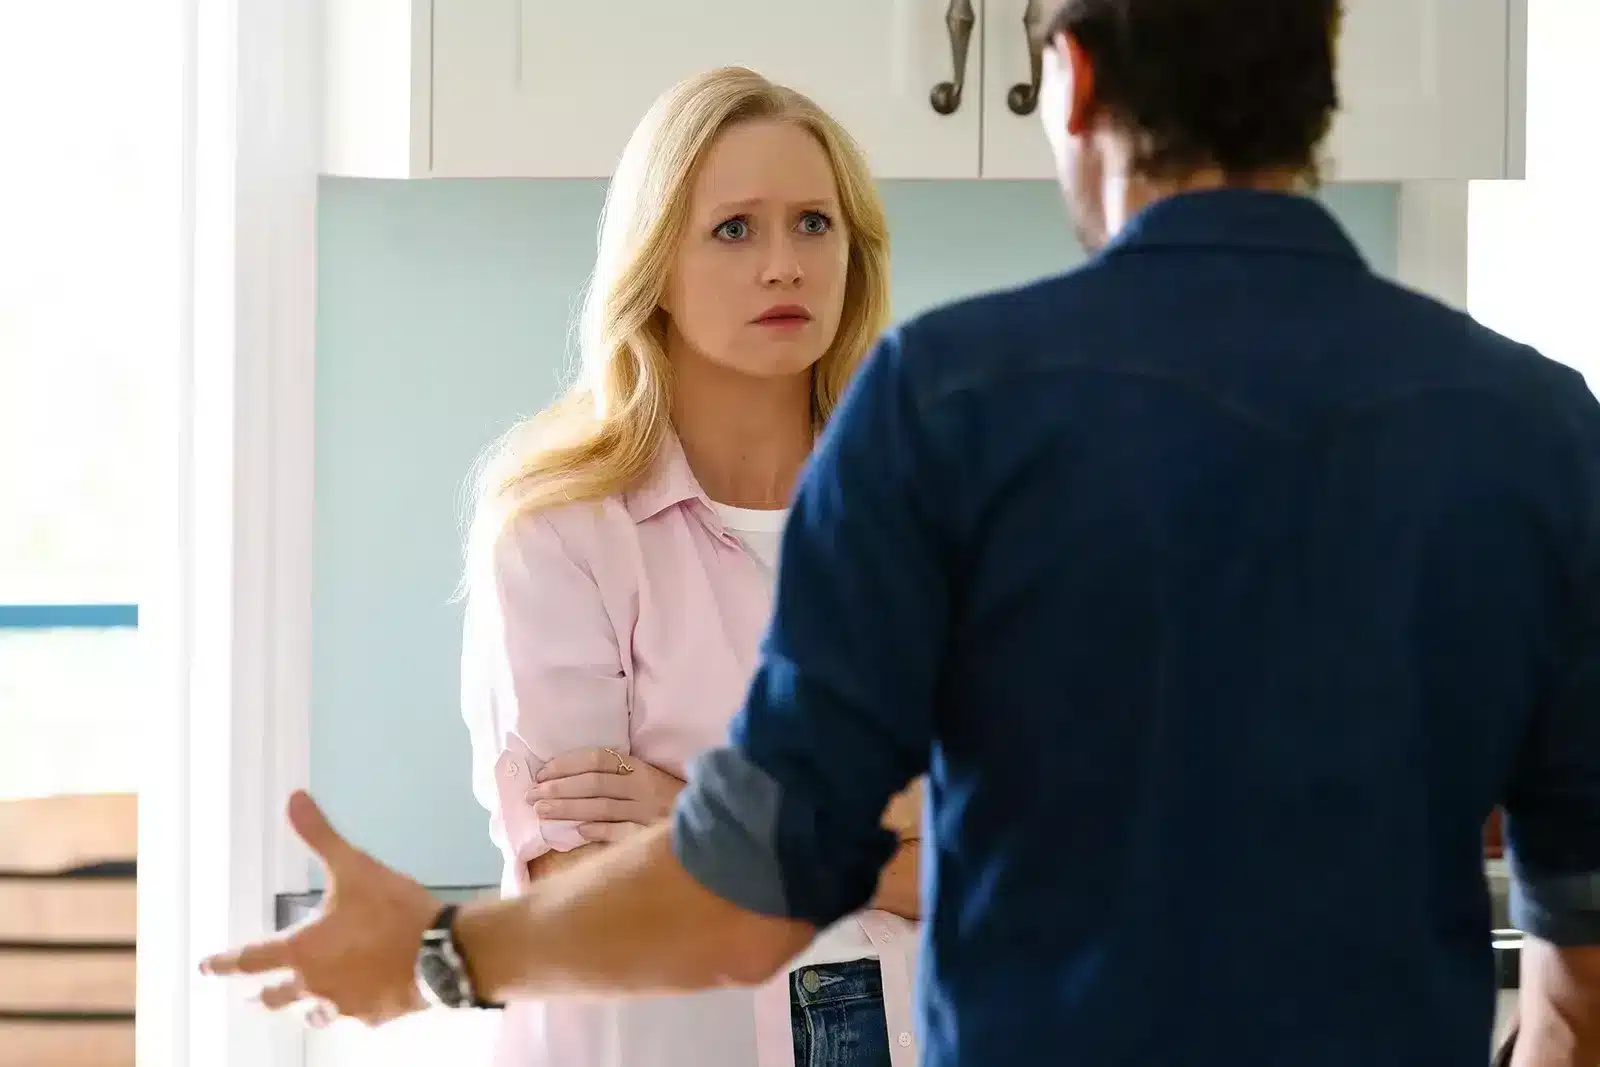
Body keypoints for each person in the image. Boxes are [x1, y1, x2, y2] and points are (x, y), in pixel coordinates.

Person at [200, 2, 1600, 1065]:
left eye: (808, 223)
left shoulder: (950, 405)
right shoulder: (1540, 431)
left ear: (1069, 77)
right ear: (1327, 75)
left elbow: (757, 884)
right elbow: (1582, 967)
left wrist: (440, 952)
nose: (782, 260)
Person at [454, 65, 922, 1067]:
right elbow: (587, 887)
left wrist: (690, 806)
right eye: (734, 229)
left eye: (813, 223)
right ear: (654, 263)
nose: (784, 265)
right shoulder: (559, 534)